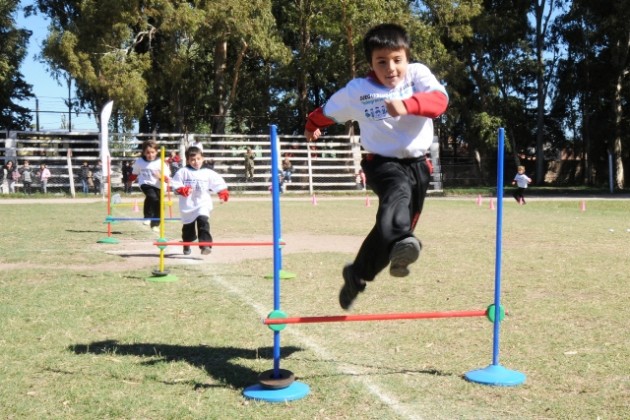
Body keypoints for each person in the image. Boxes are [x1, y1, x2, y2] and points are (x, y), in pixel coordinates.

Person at [304, 23, 448, 310]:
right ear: (371, 63)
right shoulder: (359, 90)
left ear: (407, 57)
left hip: (419, 166)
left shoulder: (418, 75)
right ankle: (400, 243)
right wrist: (311, 126)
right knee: (397, 203)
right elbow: (328, 110)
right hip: (382, 163)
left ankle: (357, 275)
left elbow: (439, 101)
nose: (391, 68)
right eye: (382, 62)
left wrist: (409, 105)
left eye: (397, 60)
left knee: (392, 234)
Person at [171, 146, 229, 255]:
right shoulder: (183, 172)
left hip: (202, 203)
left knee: (203, 221)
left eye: (198, 159)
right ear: (188, 160)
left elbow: (217, 182)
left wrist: (222, 193)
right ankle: (186, 244)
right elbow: (175, 185)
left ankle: (205, 245)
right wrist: (182, 190)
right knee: (188, 229)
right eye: (192, 160)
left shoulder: (207, 172)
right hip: (187, 206)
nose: (196, 162)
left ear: (202, 158)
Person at [130, 140, 170, 231]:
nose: (150, 155)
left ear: (156, 152)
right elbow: (134, 173)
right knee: (152, 196)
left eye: (152, 152)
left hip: (158, 185)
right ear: (144, 152)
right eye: (148, 152)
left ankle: (155, 224)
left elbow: (167, 179)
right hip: (145, 184)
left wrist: (160, 177)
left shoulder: (161, 163)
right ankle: (147, 217)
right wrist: (130, 180)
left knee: (159, 204)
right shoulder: (139, 162)